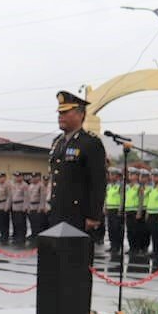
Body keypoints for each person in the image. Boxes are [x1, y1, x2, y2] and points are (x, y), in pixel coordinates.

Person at [48, 90, 107, 236]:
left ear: (81, 114)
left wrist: (94, 216)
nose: (60, 117)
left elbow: (98, 181)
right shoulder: (58, 142)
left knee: (76, 257)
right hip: (58, 212)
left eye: (65, 112)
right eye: (60, 113)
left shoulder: (90, 142)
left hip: (79, 214)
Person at [104, 169, 126, 257]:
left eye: (113, 175)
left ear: (117, 176)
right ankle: (112, 245)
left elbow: (122, 198)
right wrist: (105, 207)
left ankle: (117, 246)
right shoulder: (108, 186)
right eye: (110, 174)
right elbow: (106, 197)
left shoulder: (120, 186)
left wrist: (121, 209)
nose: (111, 176)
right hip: (110, 209)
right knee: (110, 229)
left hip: (117, 209)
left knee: (117, 229)